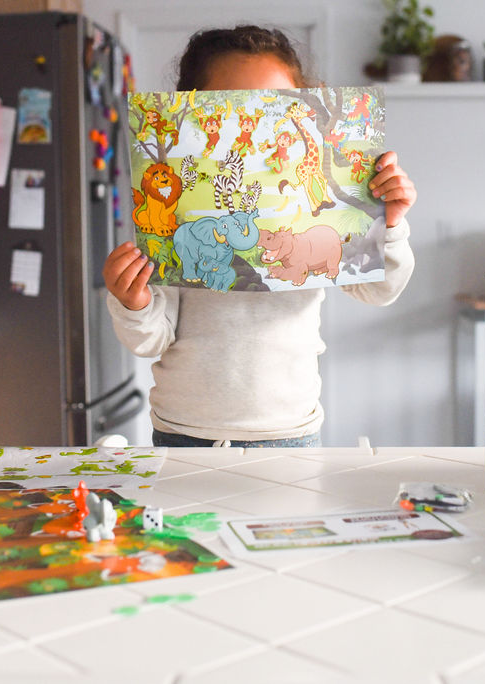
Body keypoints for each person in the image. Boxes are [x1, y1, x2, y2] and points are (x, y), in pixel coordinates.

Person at [103, 26, 417, 448]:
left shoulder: (325, 190)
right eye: (232, 110)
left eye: (278, 110)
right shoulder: (174, 219)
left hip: (290, 430)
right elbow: (152, 338)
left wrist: (389, 224)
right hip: (184, 432)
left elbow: (379, 290)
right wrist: (133, 302)